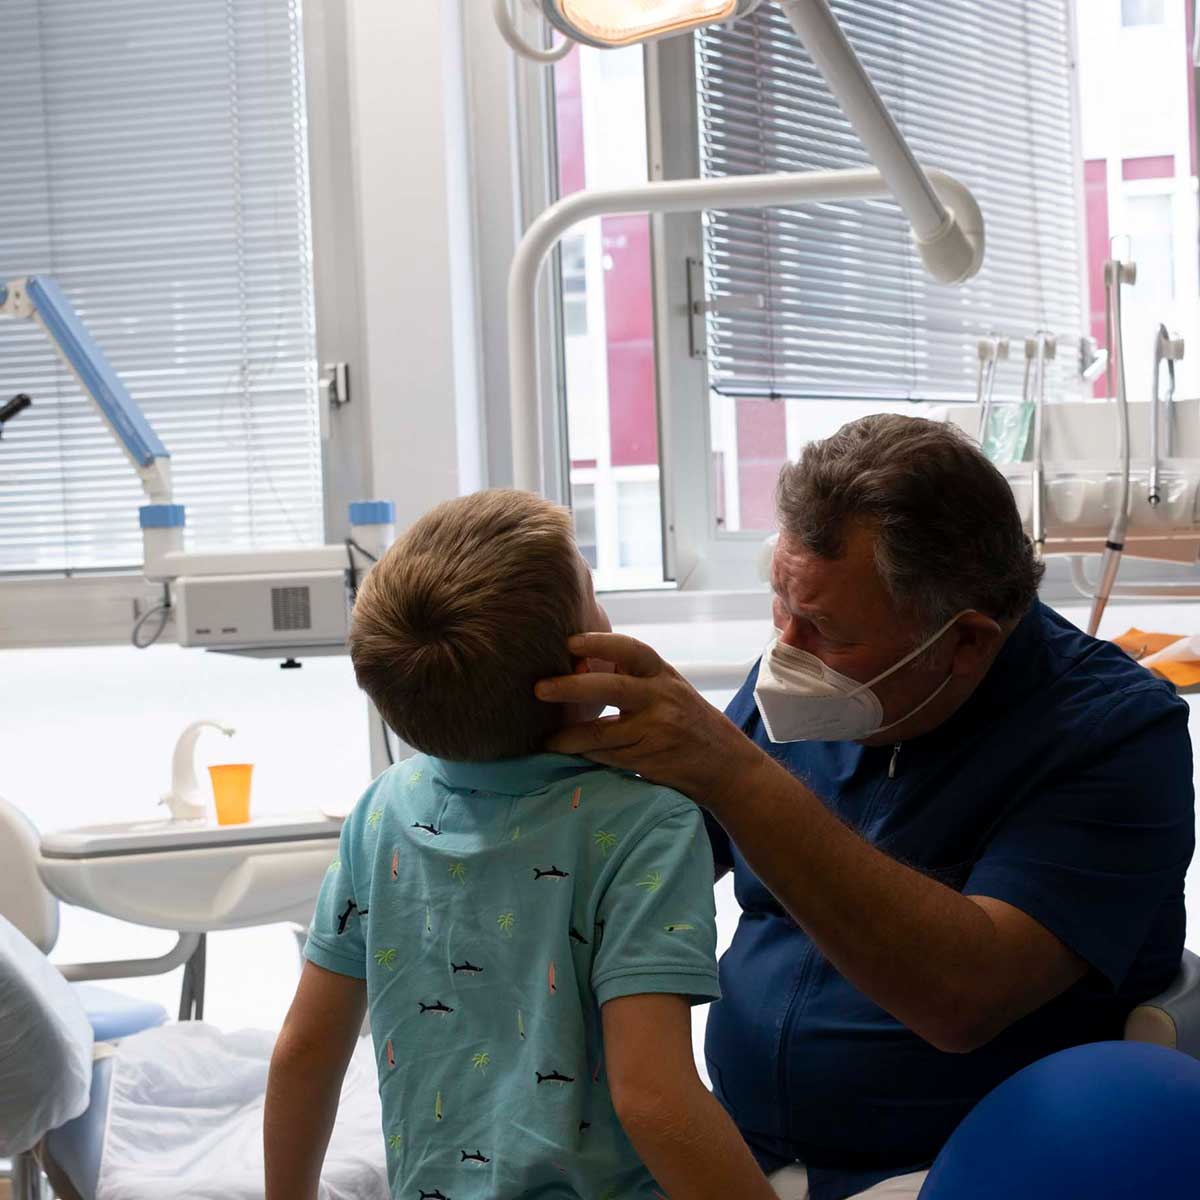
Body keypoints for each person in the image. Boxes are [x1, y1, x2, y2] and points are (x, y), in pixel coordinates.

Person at [535, 415, 1196, 1200]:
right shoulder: (811, 682)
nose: (786, 649)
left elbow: (962, 997)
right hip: (734, 1154)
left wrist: (738, 775)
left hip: (959, 1167)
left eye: (824, 630)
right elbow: (648, 857)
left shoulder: (1114, 737)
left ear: (966, 643)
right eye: (780, 602)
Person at [264, 490, 777, 1200]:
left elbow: (304, 1050)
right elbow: (654, 1097)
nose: (604, 614)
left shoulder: (382, 810)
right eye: (594, 598)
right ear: (577, 668)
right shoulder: (645, 824)